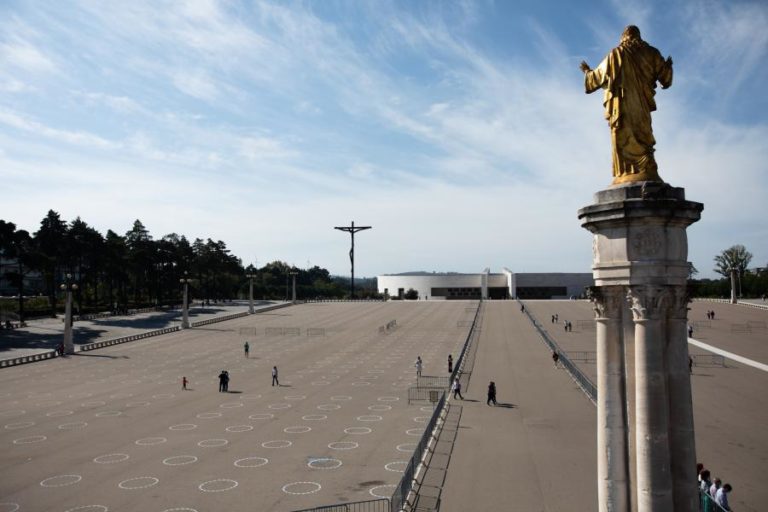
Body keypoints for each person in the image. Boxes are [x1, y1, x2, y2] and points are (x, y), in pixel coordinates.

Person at [581, 25, 673, 184]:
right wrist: (669, 67)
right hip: (641, 107)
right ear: (638, 36)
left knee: (623, 133)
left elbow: (597, 76)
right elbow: (665, 77)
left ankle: (627, 172)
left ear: (624, 37)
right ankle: (645, 169)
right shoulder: (651, 53)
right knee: (643, 132)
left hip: (622, 107)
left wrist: (587, 72)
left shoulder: (616, 54)